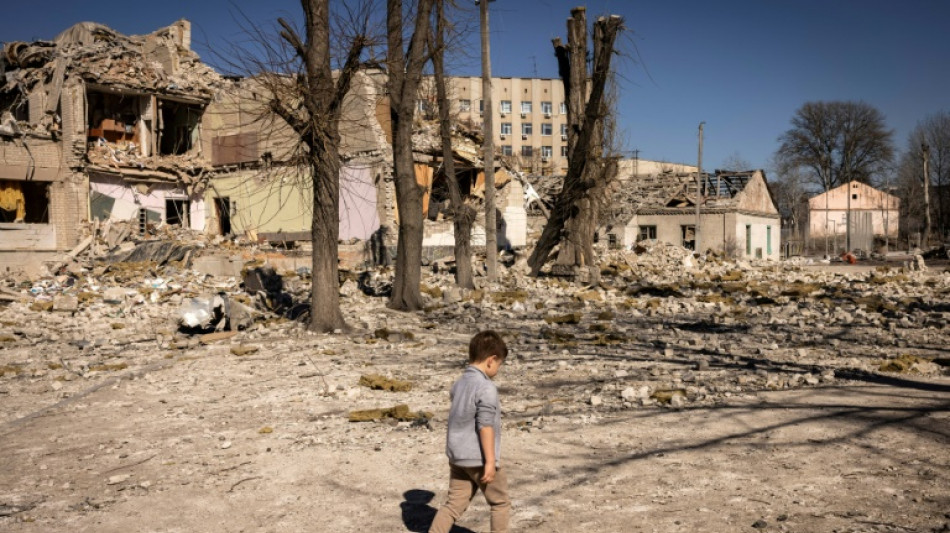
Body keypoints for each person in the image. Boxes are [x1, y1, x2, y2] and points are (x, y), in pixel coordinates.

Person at [429, 330, 511, 533]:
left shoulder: (459, 384)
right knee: (500, 503)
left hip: (457, 457)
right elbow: (484, 425)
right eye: (499, 365)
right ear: (491, 360)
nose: (498, 370)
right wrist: (490, 461)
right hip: (479, 458)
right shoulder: (485, 387)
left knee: (453, 505)